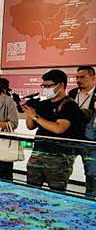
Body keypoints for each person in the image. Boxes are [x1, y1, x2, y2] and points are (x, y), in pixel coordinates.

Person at [24, 69, 85, 191]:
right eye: (44, 86)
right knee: (31, 189)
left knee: (57, 191)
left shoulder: (69, 105)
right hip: (38, 153)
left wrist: (35, 116)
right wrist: (29, 110)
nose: (46, 89)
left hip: (59, 157)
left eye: (49, 86)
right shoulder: (44, 104)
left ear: (61, 85)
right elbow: (30, 126)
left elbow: (59, 128)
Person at [69, 66, 96, 197]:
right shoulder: (73, 93)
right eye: (77, 77)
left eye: (82, 77)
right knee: (63, 169)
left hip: (91, 140)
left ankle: (90, 200)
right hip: (72, 138)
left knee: (92, 174)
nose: (79, 80)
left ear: (93, 77)